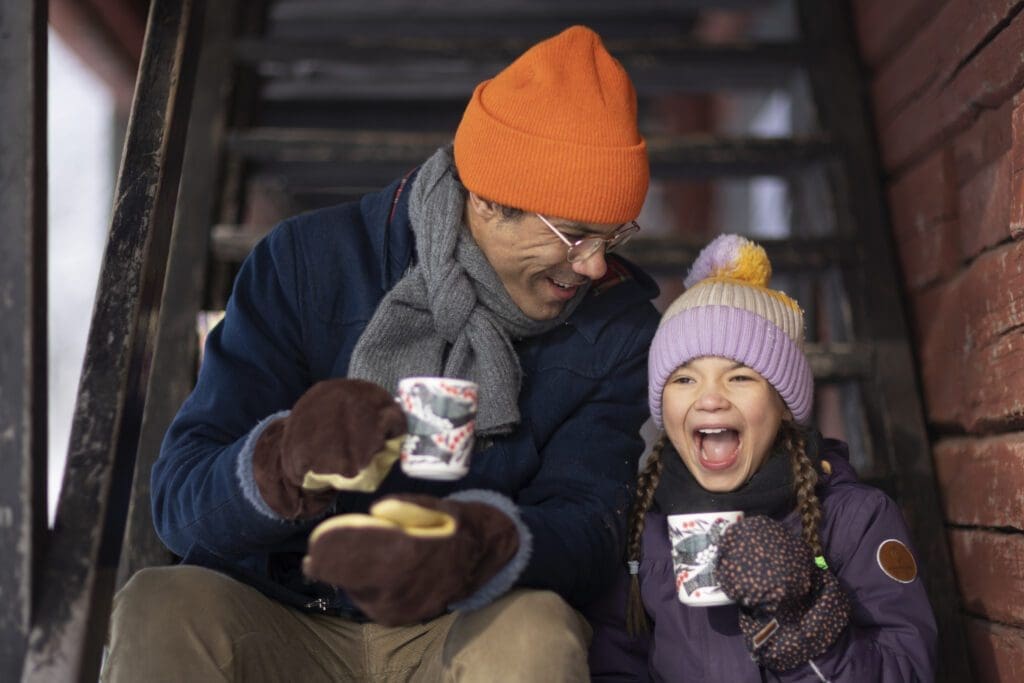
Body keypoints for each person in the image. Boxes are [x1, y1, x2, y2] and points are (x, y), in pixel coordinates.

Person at [100, 25, 661, 682]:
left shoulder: (615, 325)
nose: (593, 266)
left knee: (538, 630)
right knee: (159, 607)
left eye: (614, 235)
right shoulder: (305, 264)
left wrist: (478, 546)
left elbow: (591, 525)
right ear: (485, 197)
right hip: (286, 611)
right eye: (573, 235)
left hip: (460, 624)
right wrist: (282, 460)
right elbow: (178, 502)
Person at [587, 234, 937, 681]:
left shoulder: (853, 520)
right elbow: (616, 667)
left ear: (783, 405)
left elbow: (908, 670)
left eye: (739, 377)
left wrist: (802, 620)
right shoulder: (641, 528)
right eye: (684, 380)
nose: (710, 399)